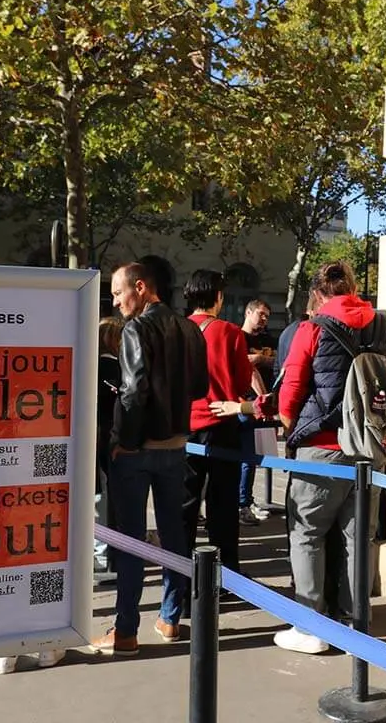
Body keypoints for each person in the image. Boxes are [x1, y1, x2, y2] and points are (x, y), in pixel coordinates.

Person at [275, 261, 386, 654]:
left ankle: (310, 627)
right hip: (371, 452)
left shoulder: (312, 328)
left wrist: (292, 424)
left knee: (307, 535)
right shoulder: (384, 326)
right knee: (359, 539)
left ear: (319, 294)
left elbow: (292, 391)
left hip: (322, 448)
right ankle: (358, 625)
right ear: (353, 288)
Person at [90, 262, 208, 657]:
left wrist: (123, 439)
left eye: (118, 291)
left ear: (140, 288)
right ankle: (170, 617)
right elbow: (199, 386)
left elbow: (134, 389)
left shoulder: (136, 329)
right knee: (175, 536)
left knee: (130, 540)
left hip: (138, 450)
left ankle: (125, 630)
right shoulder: (191, 329)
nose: (115, 299)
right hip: (176, 446)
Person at [183, 270, 253, 573]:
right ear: (219, 297)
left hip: (183, 427)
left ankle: (181, 574)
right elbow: (241, 383)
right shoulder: (230, 332)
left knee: (184, 506)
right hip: (221, 423)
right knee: (222, 506)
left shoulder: (175, 330)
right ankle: (226, 574)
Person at [239, 299, 275, 524]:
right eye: (260, 314)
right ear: (248, 312)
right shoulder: (238, 338)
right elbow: (247, 369)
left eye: (267, 316)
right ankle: (242, 503)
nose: (264, 319)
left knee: (257, 457)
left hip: (264, 404)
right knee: (246, 456)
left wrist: (263, 359)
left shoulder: (267, 340)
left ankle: (247, 499)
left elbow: (280, 362)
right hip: (247, 404)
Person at [95, 316, 124, 579]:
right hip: (108, 441)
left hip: (94, 440)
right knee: (105, 500)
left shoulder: (89, 365)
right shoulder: (112, 368)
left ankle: (101, 554)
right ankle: (104, 557)